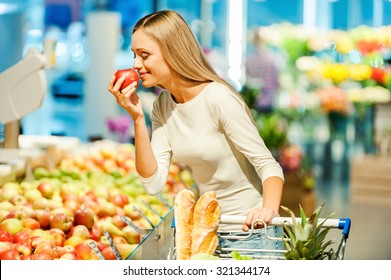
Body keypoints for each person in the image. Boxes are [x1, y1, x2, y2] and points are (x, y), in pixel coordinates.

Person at [107, 10, 285, 258]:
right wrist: (137, 117)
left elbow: (269, 166)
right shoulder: (162, 107)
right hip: (208, 235)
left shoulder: (218, 98)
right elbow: (153, 183)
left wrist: (267, 211)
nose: (136, 65)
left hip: (253, 236)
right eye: (134, 55)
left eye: (144, 55)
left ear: (172, 52)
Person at [245, 29, 281, 113]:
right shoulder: (272, 59)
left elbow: (248, 82)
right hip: (270, 102)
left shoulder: (249, 60)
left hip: (254, 103)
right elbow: (277, 83)